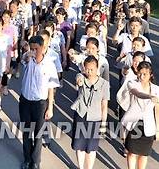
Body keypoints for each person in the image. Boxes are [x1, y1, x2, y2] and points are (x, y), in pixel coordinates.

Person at [19, 35, 60, 169]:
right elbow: (23, 60)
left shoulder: (49, 64)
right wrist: (27, 54)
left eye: (36, 49)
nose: (33, 51)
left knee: (38, 133)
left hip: (40, 103)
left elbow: (51, 87)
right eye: (31, 48)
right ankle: (26, 159)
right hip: (25, 100)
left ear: (42, 48)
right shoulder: (28, 58)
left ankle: (35, 161)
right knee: (26, 131)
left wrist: (50, 108)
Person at [70, 56, 110, 169]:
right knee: (79, 146)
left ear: (97, 68)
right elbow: (78, 78)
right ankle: (80, 167)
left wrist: (103, 124)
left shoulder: (104, 84)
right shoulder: (81, 77)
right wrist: (79, 80)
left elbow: (104, 105)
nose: (89, 72)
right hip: (81, 116)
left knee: (91, 148)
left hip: (95, 118)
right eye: (87, 69)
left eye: (92, 69)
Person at [120, 62, 158, 169]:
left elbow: (157, 110)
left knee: (144, 154)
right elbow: (137, 93)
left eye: (145, 74)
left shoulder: (156, 89)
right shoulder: (132, 83)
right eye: (140, 73)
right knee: (131, 152)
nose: (141, 76)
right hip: (134, 122)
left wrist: (158, 129)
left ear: (150, 74)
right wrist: (149, 96)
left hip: (148, 124)